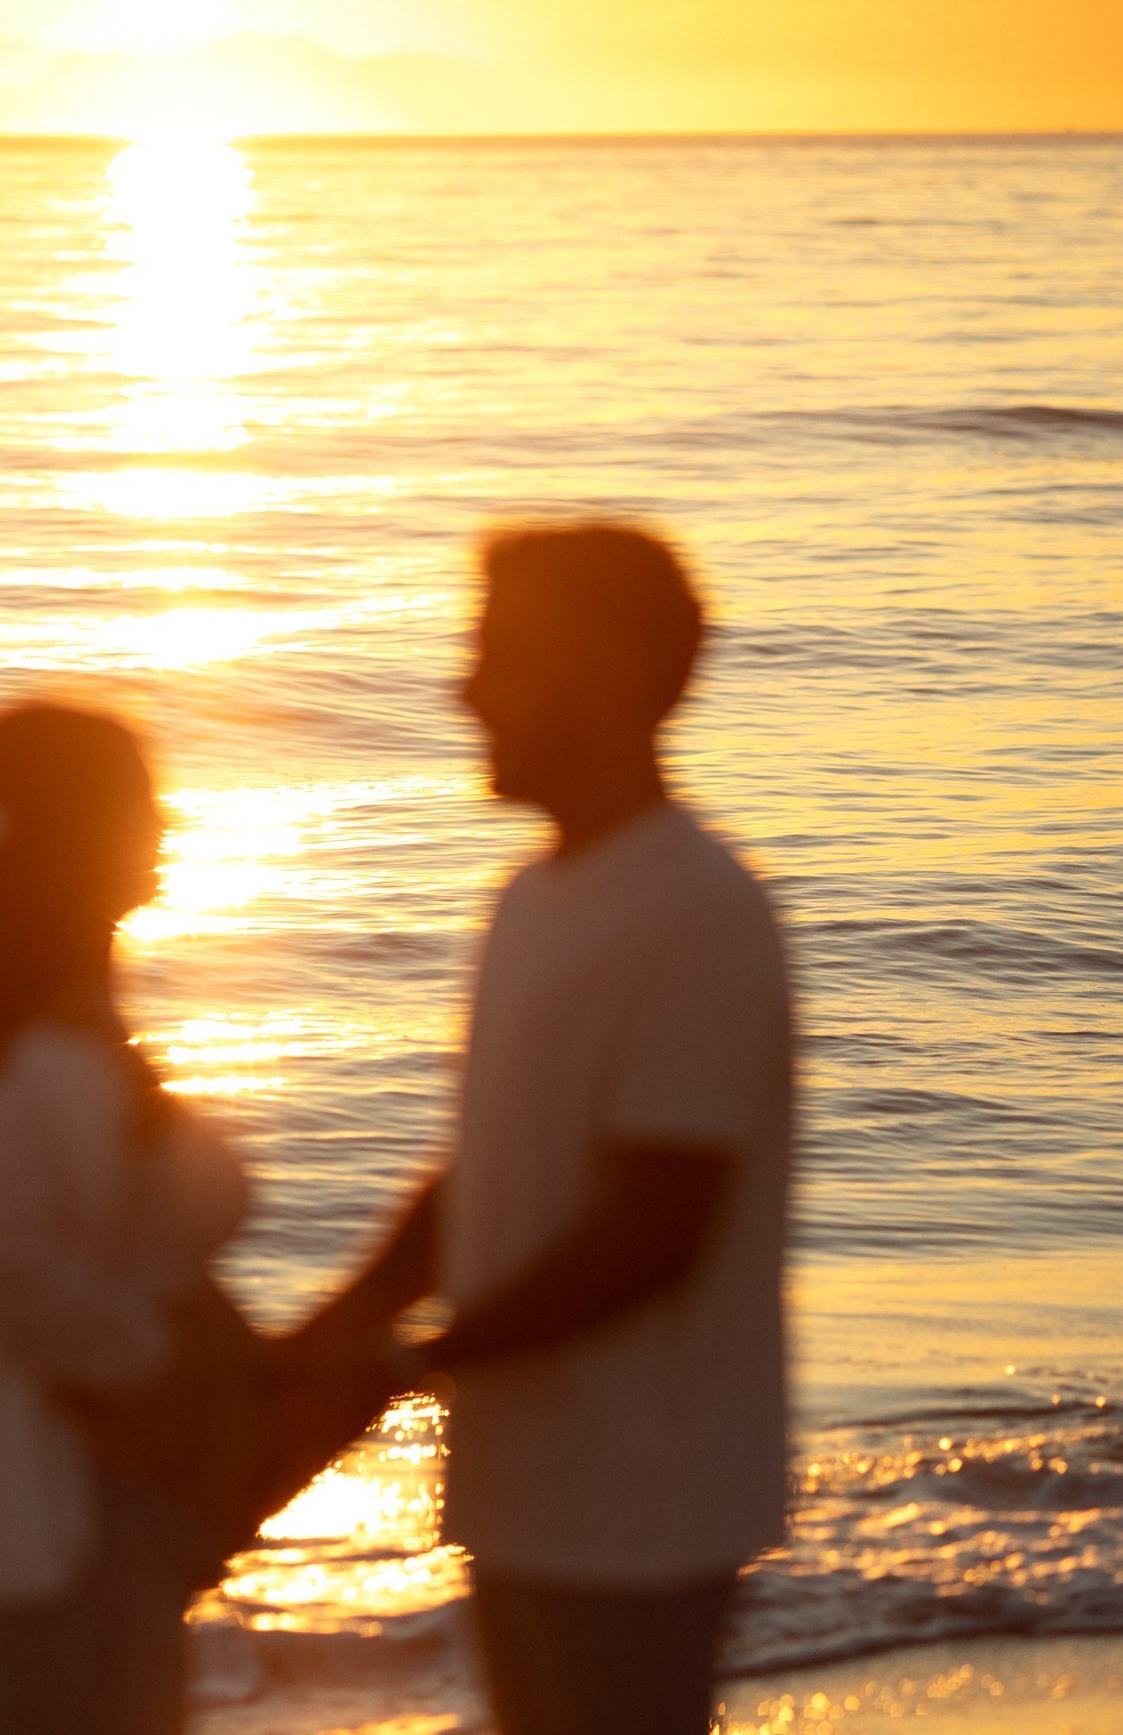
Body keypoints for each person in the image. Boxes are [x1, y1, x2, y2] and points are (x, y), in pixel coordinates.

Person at [334, 521, 795, 1735]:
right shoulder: (529, 900)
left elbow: (657, 1223)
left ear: (609, 671)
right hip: (521, 1478)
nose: (466, 689)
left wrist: (423, 1356)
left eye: (500, 653)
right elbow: (485, 1164)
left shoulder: (699, 908)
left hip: (646, 1492)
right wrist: (345, 1319)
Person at [0, 701, 249, 1735]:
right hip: (67, 1539)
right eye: (144, 804)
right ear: (86, 842)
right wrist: (143, 1366)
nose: (166, 825)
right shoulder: (53, 1063)